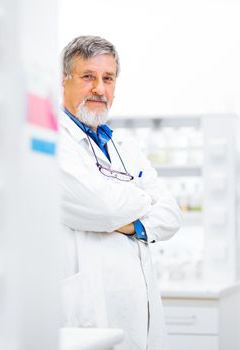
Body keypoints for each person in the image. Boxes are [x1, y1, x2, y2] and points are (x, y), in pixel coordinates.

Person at [58, 35, 182, 350]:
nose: (99, 88)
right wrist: (140, 199)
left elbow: (170, 215)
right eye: (88, 77)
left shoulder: (124, 145)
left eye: (108, 78)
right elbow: (102, 207)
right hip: (91, 312)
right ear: (65, 81)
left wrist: (132, 224)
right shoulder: (53, 141)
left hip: (138, 309)